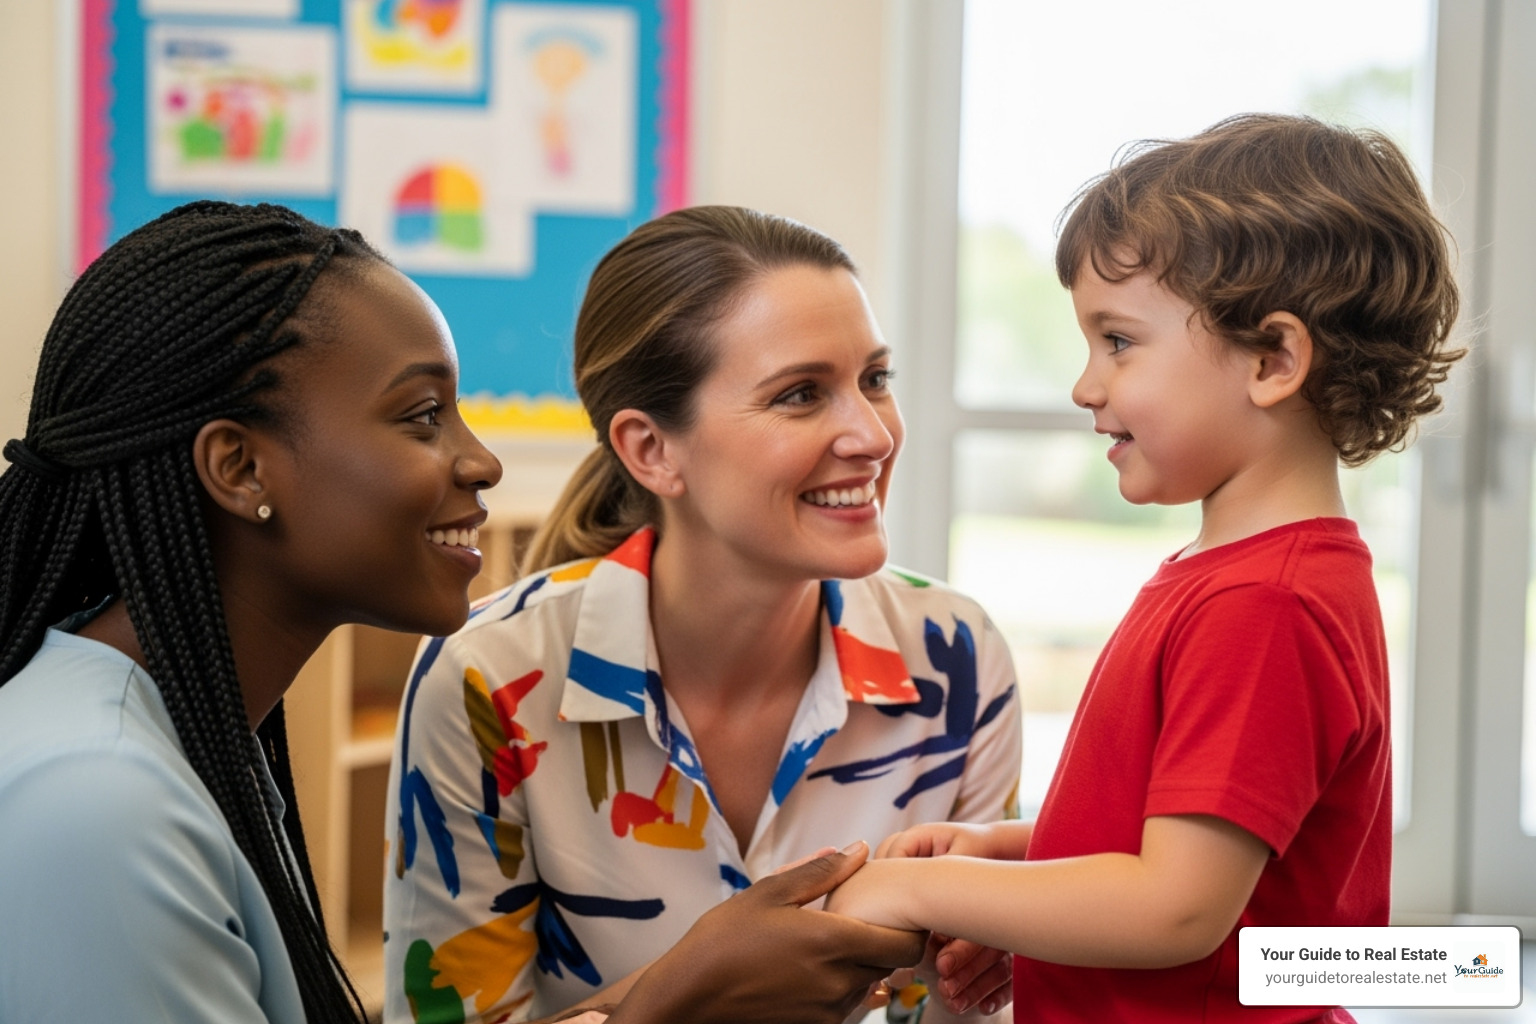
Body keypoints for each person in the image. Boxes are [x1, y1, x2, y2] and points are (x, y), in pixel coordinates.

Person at [0, 200, 925, 1024]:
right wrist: (679, 999)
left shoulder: (168, 744)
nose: (482, 461)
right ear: (241, 469)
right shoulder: (97, 803)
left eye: (875, 379)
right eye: (421, 415)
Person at [823, 113, 1463, 1024]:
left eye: (1118, 341)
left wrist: (925, 894)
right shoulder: (1241, 574)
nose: (1087, 384)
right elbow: (1193, 832)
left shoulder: (1266, 604)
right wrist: (1005, 855)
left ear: (1274, 359)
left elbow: (1177, 907)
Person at [382, 205, 1023, 1024]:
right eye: (800, 395)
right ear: (652, 449)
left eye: (876, 380)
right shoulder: (486, 678)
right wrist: (690, 995)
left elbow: (976, 1009)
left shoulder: (957, 656)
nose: (872, 434)